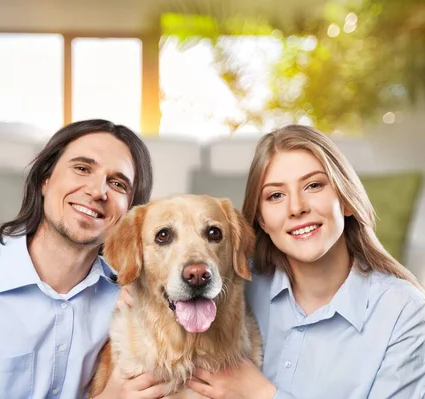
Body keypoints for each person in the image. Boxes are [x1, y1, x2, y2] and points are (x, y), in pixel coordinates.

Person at [0, 119, 173, 399]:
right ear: (44, 179)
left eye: (117, 183)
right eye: (82, 168)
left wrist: (230, 387)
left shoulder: (132, 297)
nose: (98, 192)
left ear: (130, 211)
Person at [181, 125, 425, 398]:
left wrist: (262, 393)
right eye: (276, 195)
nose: (296, 208)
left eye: (313, 185)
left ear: (345, 200)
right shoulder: (232, 285)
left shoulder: (403, 313)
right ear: (262, 219)